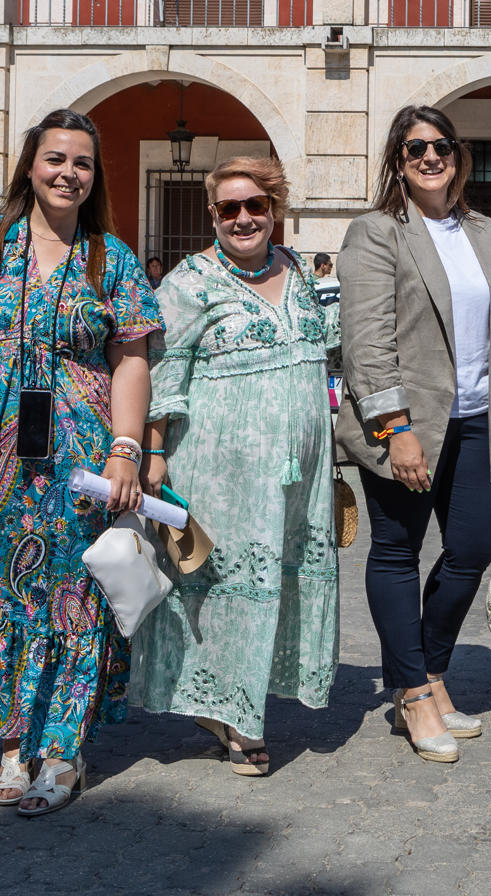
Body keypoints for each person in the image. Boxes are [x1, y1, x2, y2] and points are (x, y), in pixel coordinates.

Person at [0, 109, 162, 817]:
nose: (68, 173)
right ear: (30, 166)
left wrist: (127, 449)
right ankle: (10, 742)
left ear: (95, 176)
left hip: (77, 452)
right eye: (55, 159)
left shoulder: (108, 258)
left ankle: (64, 746)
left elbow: (133, 356)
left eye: (81, 163)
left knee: (71, 592)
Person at [131, 157, 339, 776]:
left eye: (255, 206)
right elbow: (163, 367)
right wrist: (156, 453)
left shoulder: (303, 270)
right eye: (229, 209)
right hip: (220, 466)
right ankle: (242, 721)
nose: (243, 218)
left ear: (274, 209)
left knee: (277, 581)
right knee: (225, 588)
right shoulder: (190, 281)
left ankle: (223, 704)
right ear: (213, 216)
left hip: (299, 467)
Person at [336, 106, 491, 764]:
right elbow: (365, 345)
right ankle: (413, 692)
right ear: (398, 158)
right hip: (409, 428)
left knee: (471, 548)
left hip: (477, 421)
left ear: (457, 153)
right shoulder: (376, 233)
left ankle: (432, 671)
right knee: (396, 553)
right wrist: (395, 432)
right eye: (415, 147)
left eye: (441, 145)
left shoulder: (479, 229)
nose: (430, 156)